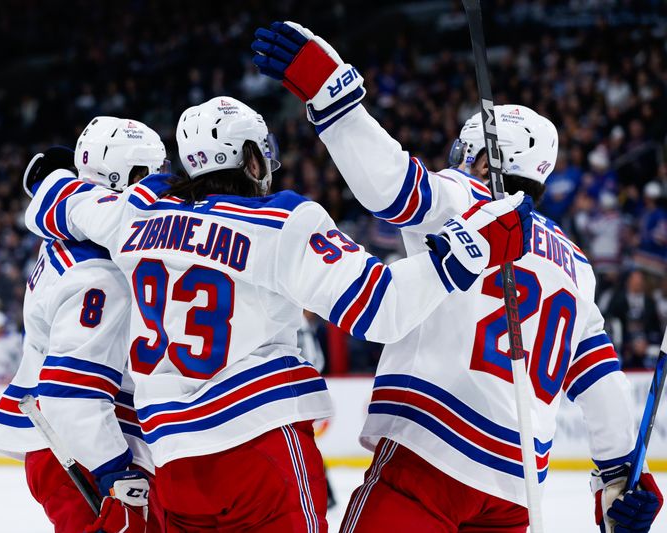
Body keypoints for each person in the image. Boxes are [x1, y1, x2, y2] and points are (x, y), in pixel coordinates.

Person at [23, 95, 533, 531]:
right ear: (250, 158)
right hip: (261, 448)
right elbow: (382, 308)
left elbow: (62, 205)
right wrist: (472, 249)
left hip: (175, 466)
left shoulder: (133, 214)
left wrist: (52, 175)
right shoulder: (282, 219)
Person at [251, 21, 663, 532]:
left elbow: (387, 183)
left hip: (430, 454)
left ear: (487, 156)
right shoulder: (576, 265)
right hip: (516, 487)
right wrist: (622, 475)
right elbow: (600, 380)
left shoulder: (464, 198)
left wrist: (330, 94)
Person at [0, 116, 168, 533]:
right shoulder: (103, 275)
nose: (159, 183)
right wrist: (116, 473)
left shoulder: (72, 230)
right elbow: (73, 393)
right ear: (122, 178)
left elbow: (70, 195)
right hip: (80, 447)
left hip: (63, 439)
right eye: (148, 173)